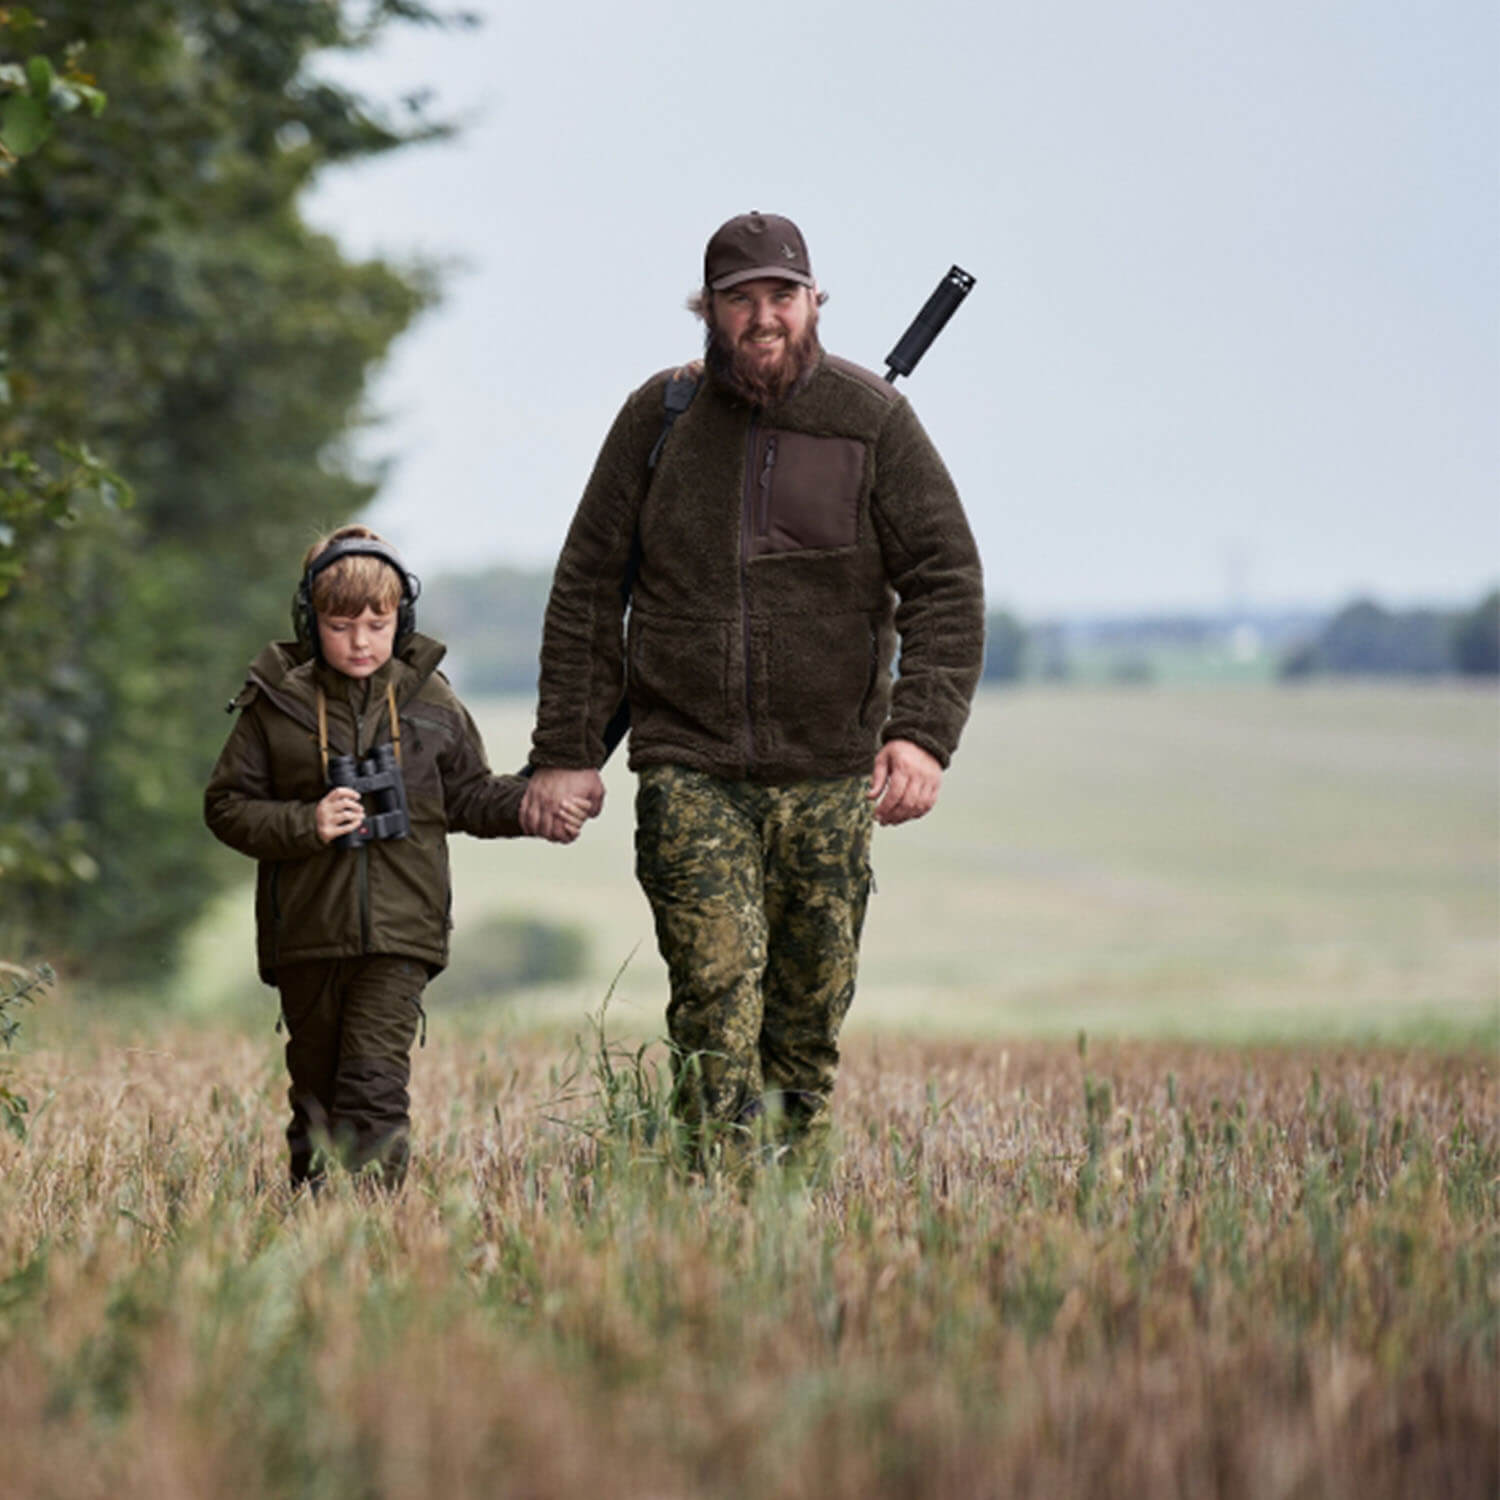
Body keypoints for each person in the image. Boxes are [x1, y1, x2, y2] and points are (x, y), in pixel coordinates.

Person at [520, 212, 985, 1159]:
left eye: (783, 296)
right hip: (691, 766)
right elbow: (586, 589)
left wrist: (922, 733)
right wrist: (565, 753)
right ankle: (713, 1204)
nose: (764, 316)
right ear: (710, 310)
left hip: (830, 770)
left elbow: (946, 579)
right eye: (742, 300)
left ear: (814, 303)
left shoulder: (874, 420)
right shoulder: (660, 419)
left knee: (806, 1020)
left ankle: (786, 1202)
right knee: (716, 996)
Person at [205, 524, 585, 1190]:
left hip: (401, 932)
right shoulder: (274, 706)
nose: (360, 642)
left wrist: (532, 806)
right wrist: (307, 821)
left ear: (399, 619)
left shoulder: (431, 701)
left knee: (374, 1082)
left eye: (376, 625)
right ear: (310, 619)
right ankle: (317, 1222)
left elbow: (468, 795)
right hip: (307, 934)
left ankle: (376, 1227)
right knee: (317, 1093)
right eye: (341, 624)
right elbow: (227, 806)